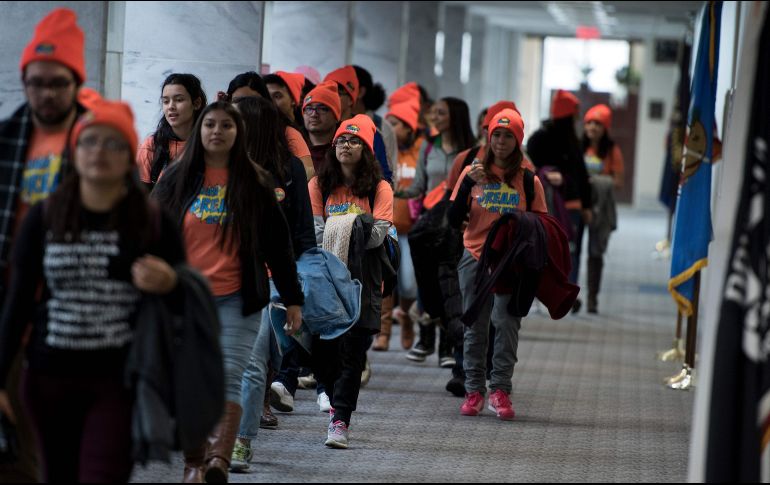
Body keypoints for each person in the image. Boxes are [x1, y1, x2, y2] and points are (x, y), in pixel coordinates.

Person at [0, 99, 185, 482]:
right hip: (49, 377)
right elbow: (17, 304)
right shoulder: (44, 216)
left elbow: (184, 301)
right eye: (90, 142)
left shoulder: (152, 222)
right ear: (75, 151)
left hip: (120, 380)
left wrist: (170, 281)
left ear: (128, 155)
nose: (99, 152)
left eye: (113, 144)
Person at [152, 101, 303, 483]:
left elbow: (278, 247)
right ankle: (194, 462)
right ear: (200, 131)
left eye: (226, 126)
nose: (217, 132)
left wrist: (293, 298)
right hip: (186, 297)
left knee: (231, 375)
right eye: (210, 125)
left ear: (238, 134)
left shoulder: (255, 183)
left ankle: (218, 460)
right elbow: (151, 231)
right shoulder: (176, 179)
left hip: (240, 298)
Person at [0, 8, 88, 481]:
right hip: (10, 308)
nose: (46, 93)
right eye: (36, 82)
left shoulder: (98, 141)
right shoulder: (8, 137)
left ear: (76, 82)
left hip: (74, 311)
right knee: (13, 444)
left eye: (57, 82)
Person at [230, 96, 316, 472]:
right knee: (235, 362)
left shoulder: (290, 169)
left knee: (259, 359)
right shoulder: (218, 169)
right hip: (219, 278)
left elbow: (299, 231)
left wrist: (298, 288)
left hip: (268, 280)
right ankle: (222, 435)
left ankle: (242, 440)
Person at [448, 108, 547, 421]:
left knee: (506, 323)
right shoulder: (472, 173)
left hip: (512, 264)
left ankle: (501, 388)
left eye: (508, 136)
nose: (501, 142)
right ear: (488, 138)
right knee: (475, 326)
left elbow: (542, 225)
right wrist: (467, 186)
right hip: (474, 257)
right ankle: (474, 389)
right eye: (496, 135)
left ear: (518, 141)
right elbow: (451, 221)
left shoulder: (528, 180)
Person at [307, 114, 393, 449]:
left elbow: (376, 237)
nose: (346, 145)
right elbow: (315, 234)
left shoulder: (379, 188)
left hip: (364, 281)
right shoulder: (319, 185)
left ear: (366, 150)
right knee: (323, 353)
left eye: (354, 141)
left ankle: (340, 420)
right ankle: (330, 397)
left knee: (353, 353)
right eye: (342, 140)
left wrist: (343, 228)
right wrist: (352, 226)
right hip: (325, 279)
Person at [396, 97, 475, 368]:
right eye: (433, 112)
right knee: (425, 279)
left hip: (458, 226)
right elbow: (418, 185)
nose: (434, 117)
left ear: (455, 116)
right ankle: (426, 338)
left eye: (440, 113)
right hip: (430, 224)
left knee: (450, 283)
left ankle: (447, 346)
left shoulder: (472, 151)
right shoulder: (429, 146)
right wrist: (395, 191)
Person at [526, 89, 591, 313]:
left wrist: (587, 204)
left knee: (565, 250)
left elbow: (581, 175)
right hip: (552, 205)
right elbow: (580, 174)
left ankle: (567, 294)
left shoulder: (552, 139)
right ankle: (558, 293)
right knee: (564, 251)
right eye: (574, 115)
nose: (577, 119)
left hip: (563, 205)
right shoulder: (546, 139)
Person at [375, 99, 423, 351]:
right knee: (384, 279)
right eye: (389, 122)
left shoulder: (421, 150)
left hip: (412, 229)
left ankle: (405, 319)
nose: (389, 128)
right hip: (388, 224)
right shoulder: (386, 149)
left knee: (407, 283)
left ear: (410, 127)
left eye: (395, 124)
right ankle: (382, 333)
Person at [225, 71, 314, 180]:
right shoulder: (221, 131)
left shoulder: (286, 132)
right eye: (237, 101)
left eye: (252, 101)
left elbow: (308, 173)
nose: (245, 107)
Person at [579, 104, 623, 313]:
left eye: (598, 124)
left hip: (601, 208)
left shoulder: (612, 151)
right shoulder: (577, 147)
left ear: (605, 128)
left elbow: (618, 181)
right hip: (578, 205)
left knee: (595, 252)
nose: (593, 127)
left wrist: (595, 181)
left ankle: (592, 298)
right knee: (572, 251)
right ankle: (569, 297)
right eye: (589, 123)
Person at [137, 73, 207, 191]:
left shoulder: (210, 144)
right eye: (165, 101)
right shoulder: (152, 145)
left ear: (196, 103)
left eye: (179, 100)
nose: (170, 107)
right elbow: (140, 198)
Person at [302, 81, 342, 173]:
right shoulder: (293, 146)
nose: (314, 114)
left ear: (336, 116)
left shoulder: (345, 149)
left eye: (322, 109)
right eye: (308, 108)